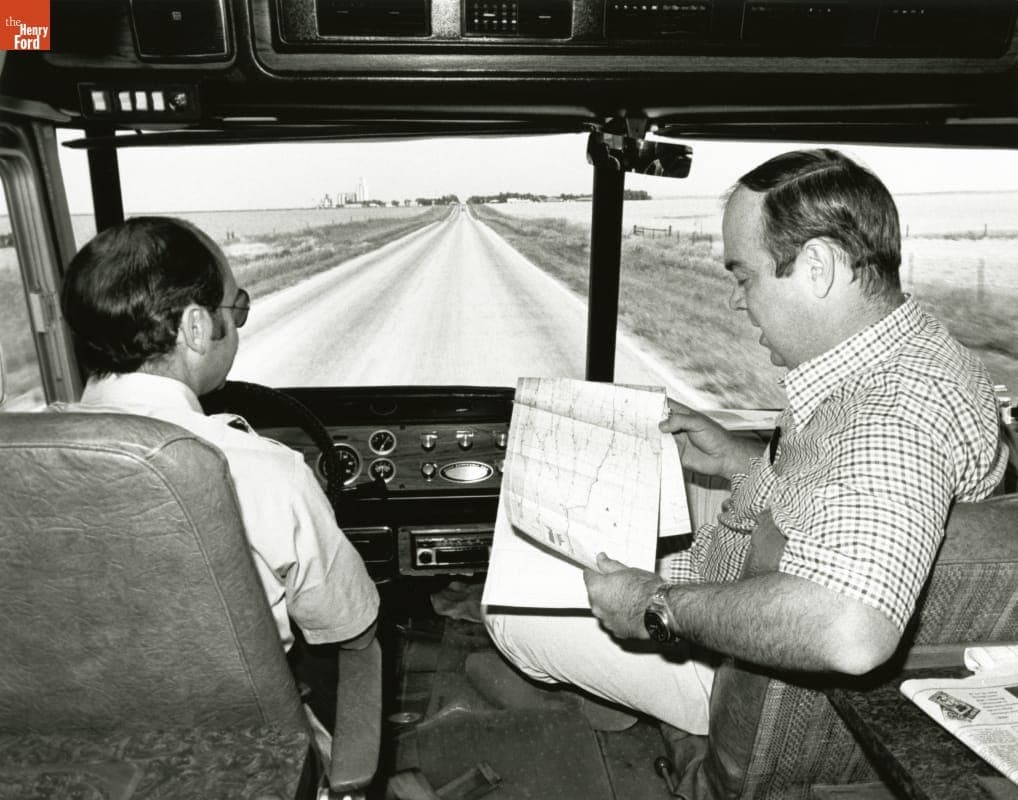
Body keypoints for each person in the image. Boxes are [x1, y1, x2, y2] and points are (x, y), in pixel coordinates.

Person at [483, 148, 1008, 735]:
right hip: (732, 574)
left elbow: (850, 630)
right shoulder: (908, 352)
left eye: (744, 275)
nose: (736, 299)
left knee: (510, 614)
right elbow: (835, 480)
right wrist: (740, 461)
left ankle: (625, 704)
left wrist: (655, 607)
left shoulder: (895, 407)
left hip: (743, 669)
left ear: (817, 267)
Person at [55, 216, 380, 660]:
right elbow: (352, 630)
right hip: (241, 732)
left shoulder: (14, 465)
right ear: (195, 328)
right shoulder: (260, 469)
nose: (239, 324)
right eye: (236, 308)